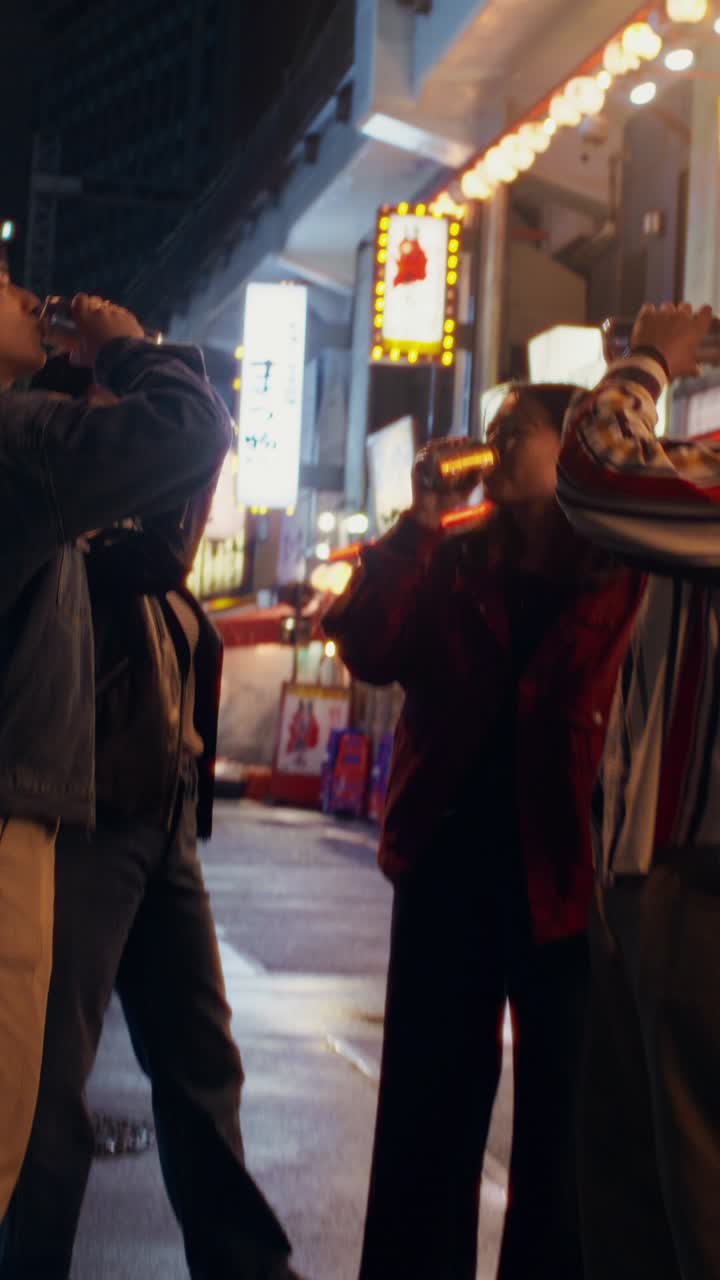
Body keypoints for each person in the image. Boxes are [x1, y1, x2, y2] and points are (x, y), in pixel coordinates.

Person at [323, 387, 644, 1280]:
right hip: (448, 871)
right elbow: (367, 644)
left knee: (562, 1146)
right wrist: (417, 520)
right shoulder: (451, 557)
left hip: (566, 880)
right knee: (427, 1121)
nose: (496, 443)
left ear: (574, 444)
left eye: (518, 430)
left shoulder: (622, 569)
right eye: (493, 430)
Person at [0, 371, 302, 1280]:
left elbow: (180, 496)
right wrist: (137, 359)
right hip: (88, 817)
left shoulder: (105, 523)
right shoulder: (54, 505)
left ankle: (246, 1263)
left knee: (202, 1062)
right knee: (51, 1089)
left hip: (155, 818)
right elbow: (181, 461)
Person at [0, 265, 231, 1219]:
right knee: (27, 1105)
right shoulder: (21, 444)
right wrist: (129, 347)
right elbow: (190, 430)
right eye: (2, 282)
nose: (26, 296)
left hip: (102, 803)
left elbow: (166, 532)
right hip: (28, 808)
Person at [556, 301, 720, 1280]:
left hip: (701, 898)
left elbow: (598, 467)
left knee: (685, 1214)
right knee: (634, 1203)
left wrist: (648, 359)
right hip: (664, 888)